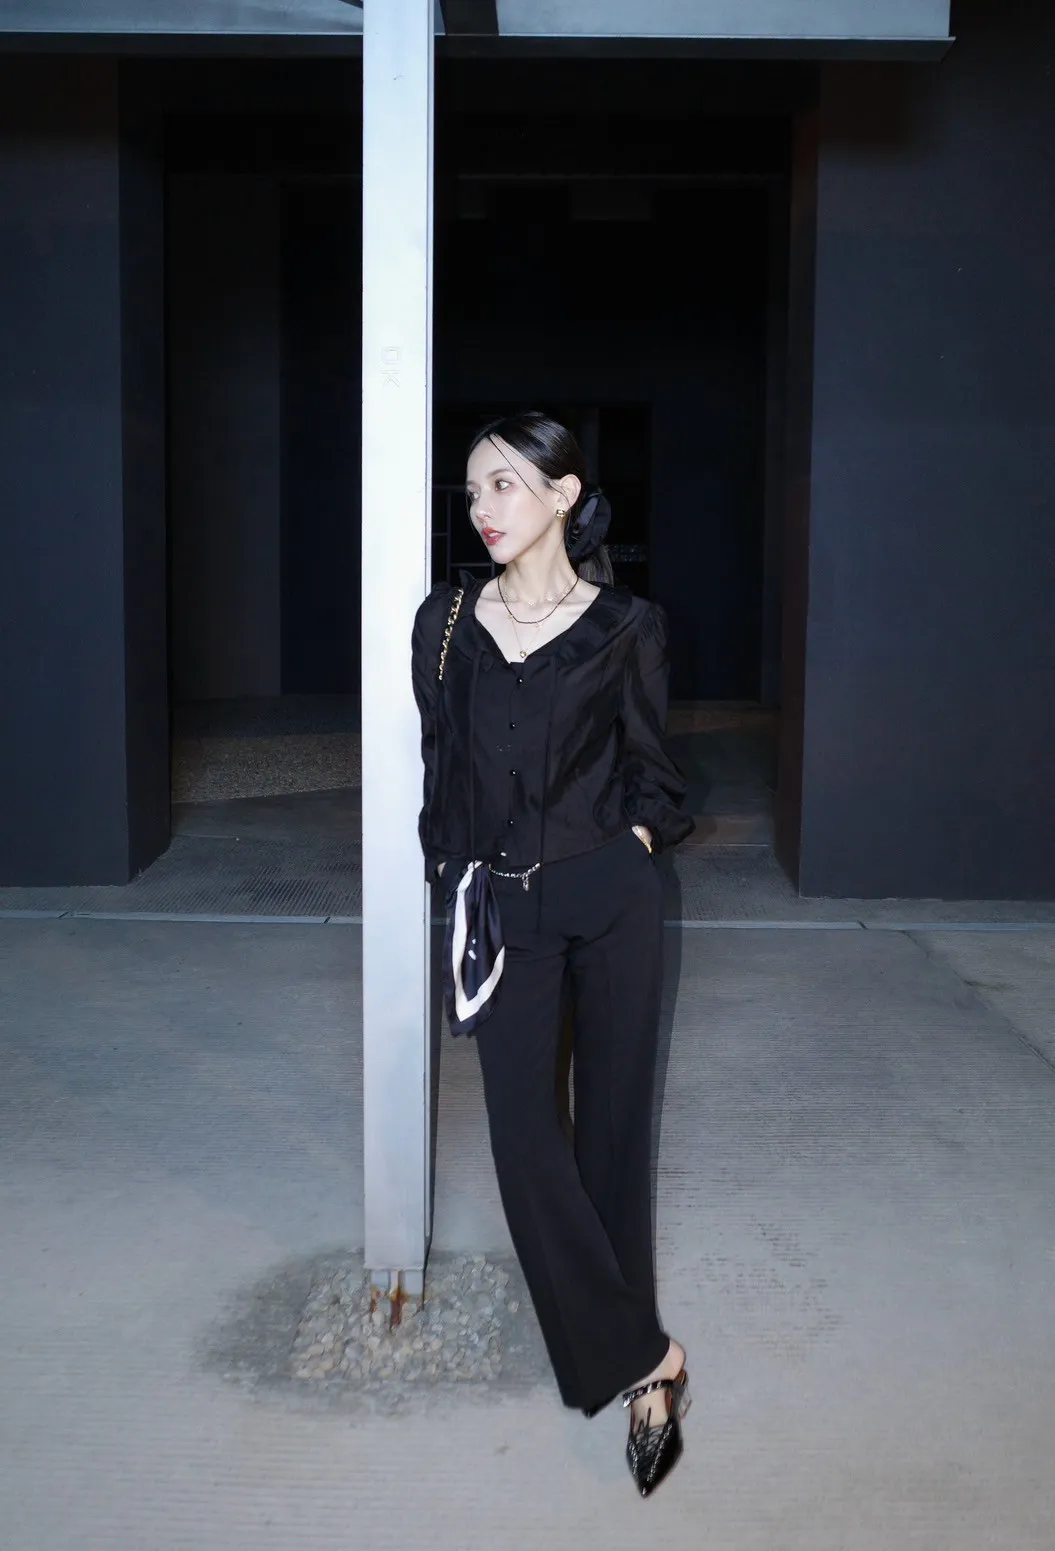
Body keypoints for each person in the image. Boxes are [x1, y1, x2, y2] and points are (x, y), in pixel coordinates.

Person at [411, 410, 696, 1498]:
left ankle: (638, 1382)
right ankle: (646, 1354)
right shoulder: (445, 622)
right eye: (472, 487)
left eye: (502, 484)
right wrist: (454, 882)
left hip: (610, 899)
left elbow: (654, 772)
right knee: (526, 1141)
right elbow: (443, 769)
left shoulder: (626, 625)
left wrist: (629, 847)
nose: (480, 506)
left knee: (612, 1133)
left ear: (563, 494)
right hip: (501, 911)